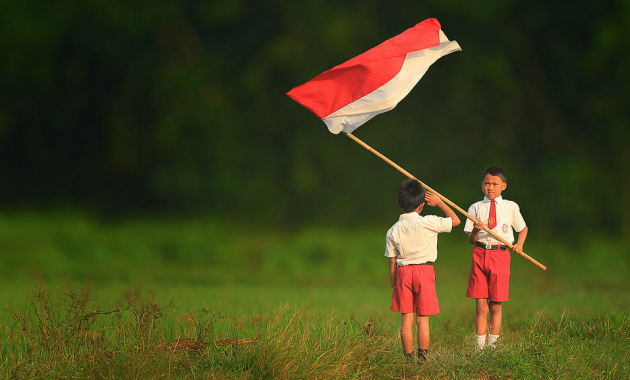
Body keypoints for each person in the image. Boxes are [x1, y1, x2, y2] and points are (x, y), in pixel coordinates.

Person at [385, 178, 460, 364]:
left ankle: (408, 359)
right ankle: (423, 358)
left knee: (406, 319)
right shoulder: (430, 222)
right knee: (422, 319)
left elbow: (392, 261)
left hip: (402, 273)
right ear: (421, 206)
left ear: (398, 203)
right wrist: (440, 202)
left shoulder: (392, 230)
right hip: (424, 272)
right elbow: (456, 221)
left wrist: (394, 283)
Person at [463, 166, 528, 350]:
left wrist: (519, 244)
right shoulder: (475, 207)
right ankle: (479, 348)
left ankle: (493, 348)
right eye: (487, 183)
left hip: (500, 254)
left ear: (503, 186)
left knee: (496, 304)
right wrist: (477, 228)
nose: (490, 187)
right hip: (480, 253)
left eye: (494, 184)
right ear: (482, 185)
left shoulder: (511, 207)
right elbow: (471, 239)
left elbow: (522, 229)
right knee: (481, 305)